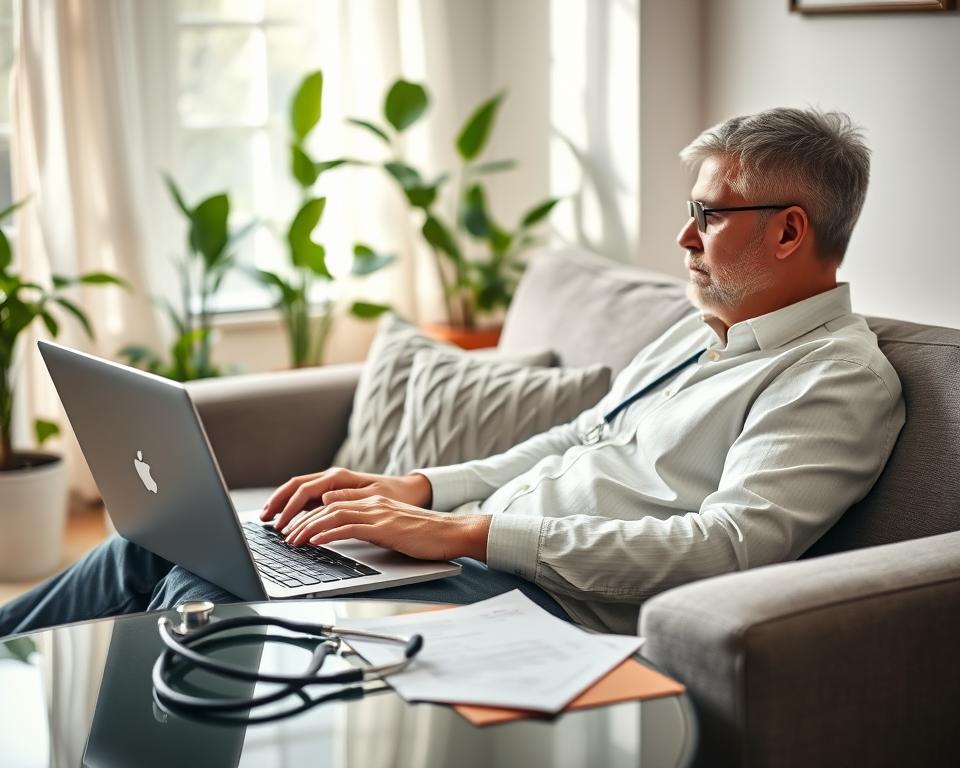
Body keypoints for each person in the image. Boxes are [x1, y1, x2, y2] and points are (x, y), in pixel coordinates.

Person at [0, 107, 904, 637]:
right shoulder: (698, 331)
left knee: (214, 592)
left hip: (539, 600)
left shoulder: (836, 380)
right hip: (471, 557)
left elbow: (729, 548)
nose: (683, 237)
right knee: (155, 538)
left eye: (708, 214)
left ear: (789, 231)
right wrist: (420, 488)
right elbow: (579, 437)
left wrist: (469, 535)